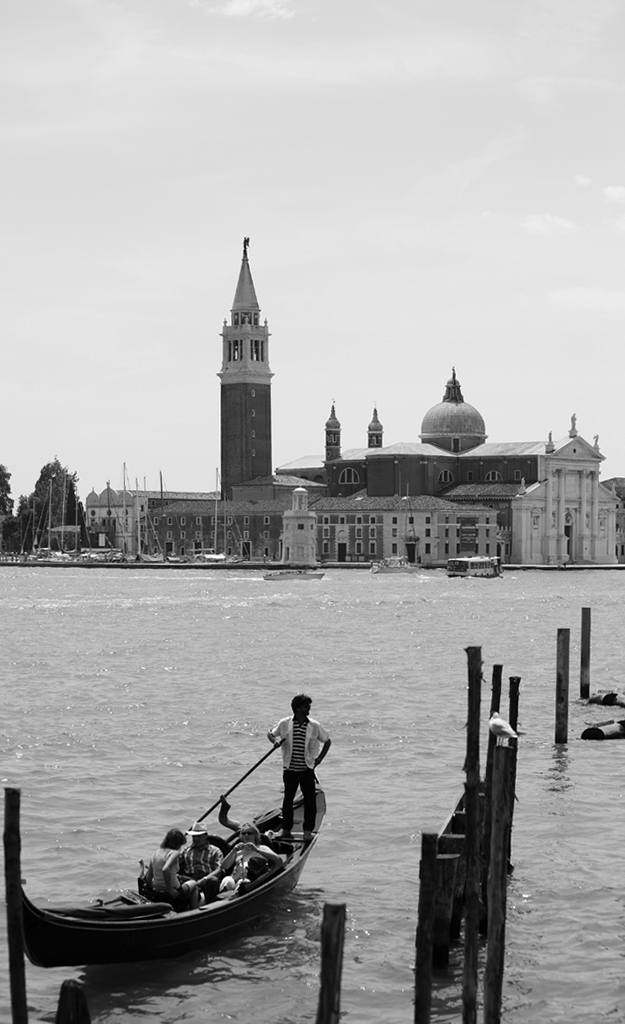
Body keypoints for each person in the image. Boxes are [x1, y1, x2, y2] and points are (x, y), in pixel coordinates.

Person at [267, 693, 331, 841]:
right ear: (297, 708)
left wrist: (319, 758)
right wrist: (274, 741)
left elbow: (327, 741)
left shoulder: (314, 726)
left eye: (308, 706)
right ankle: (285, 830)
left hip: (307, 769)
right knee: (287, 800)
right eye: (305, 706)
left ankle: (308, 831)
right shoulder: (285, 723)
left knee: (310, 801)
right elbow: (270, 733)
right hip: (289, 769)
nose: (308, 708)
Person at [144, 828, 201, 911]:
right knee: (194, 884)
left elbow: (149, 875)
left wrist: (150, 889)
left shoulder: (156, 853)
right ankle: (194, 912)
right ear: (178, 844)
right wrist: (170, 889)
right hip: (174, 891)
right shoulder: (174, 853)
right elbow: (165, 869)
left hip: (157, 891)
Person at [219, 822, 283, 894]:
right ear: (241, 836)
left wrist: (256, 850)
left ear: (255, 835)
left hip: (252, 881)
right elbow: (224, 866)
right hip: (235, 879)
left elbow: (276, 859)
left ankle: (235, 896)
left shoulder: (261, 848)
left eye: (249, 833)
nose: (246, 835)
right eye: (244, 833)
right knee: (227, 880)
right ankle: (222, 899)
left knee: (242, 882)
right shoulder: (238, 851)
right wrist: (233, 851)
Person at [179, 821, 224, 903]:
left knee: (213, 880)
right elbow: (174, 865)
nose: (196, 839)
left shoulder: (215, 851)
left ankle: (210, 905)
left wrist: (205, 879)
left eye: (199, 836)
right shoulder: (185, 851)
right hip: (189, 879)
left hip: (207, 879)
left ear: (205, 836)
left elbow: (219, 870)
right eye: (194, 836)